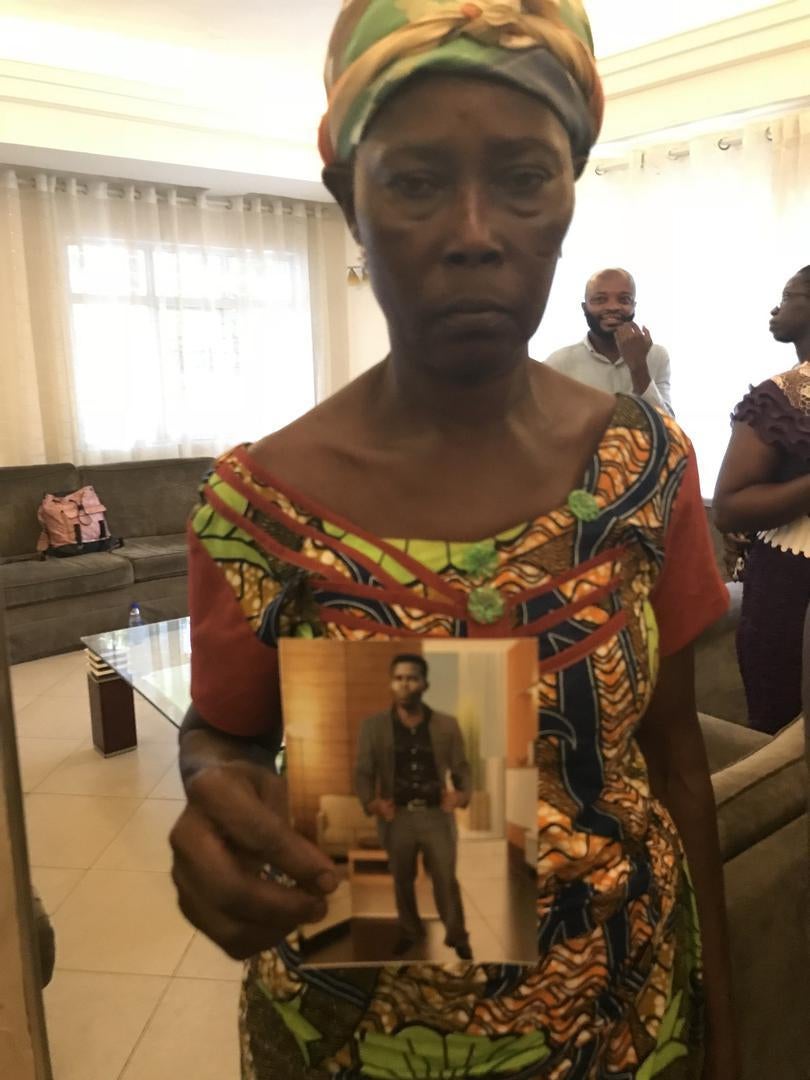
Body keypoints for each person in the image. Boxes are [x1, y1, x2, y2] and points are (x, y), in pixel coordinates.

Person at [169, 2, 739, 1077]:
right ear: (352, 201)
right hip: (367, 1036)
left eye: (524, 177)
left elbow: (676, 754)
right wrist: (215, 790)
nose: (474, 231)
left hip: (626, 1017)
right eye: (418, 181)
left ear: (570, 195)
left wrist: (721, 1023)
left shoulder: (645, 467)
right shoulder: (262, 505)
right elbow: (222, 734)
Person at [713, 266, 810, 734]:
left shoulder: (780, 396)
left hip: (791, 586)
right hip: (792, 578)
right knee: (784, 735)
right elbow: (730, 508)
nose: (777, 308)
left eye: (788, 296)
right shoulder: (781, 398)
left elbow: (729, 505)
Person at [355, 654, 472, 959]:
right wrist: (373, 803)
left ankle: (457, 935)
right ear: (391, 684)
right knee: (402, 879)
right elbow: (364, 772)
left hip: (437, 816)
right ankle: (410, 931)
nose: (405, 684)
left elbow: (462, 768)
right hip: (398, 817)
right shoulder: (373, 727)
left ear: (424, 684)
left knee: (445, 877)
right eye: (399, 678)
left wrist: (460, 795)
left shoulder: (447, 725)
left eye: (412, 678)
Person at [545, 267, 674, 414]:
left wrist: (639, 367)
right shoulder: (558, 363)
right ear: (584, 307)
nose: (612, 307)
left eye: (624, 299)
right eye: (600, 300)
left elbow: (668, 429)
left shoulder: (656, 356)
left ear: (633, 306)